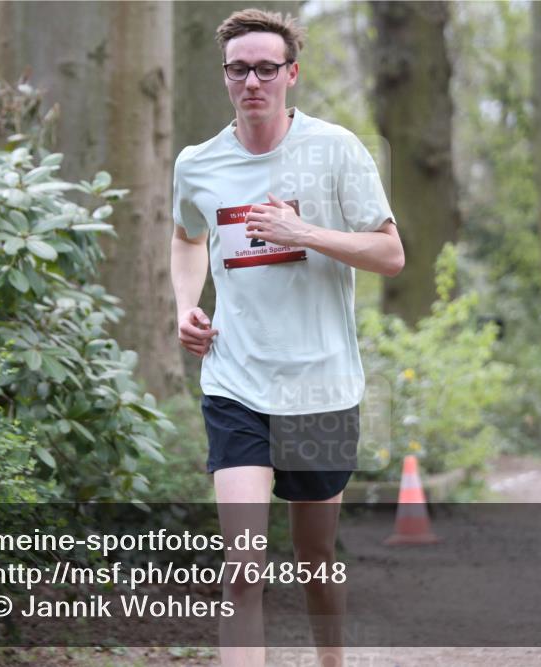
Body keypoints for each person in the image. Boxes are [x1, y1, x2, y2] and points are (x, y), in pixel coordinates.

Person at [169, 9, 403, 667]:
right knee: (242, 567)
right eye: (239, 69)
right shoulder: (198, 163)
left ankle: (331, 660)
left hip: (321, 386)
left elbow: (390, 254)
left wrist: (305, 233)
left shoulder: (337, 150)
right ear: (225, 76)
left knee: (314, 555)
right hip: (236, 381)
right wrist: (185, 306)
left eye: (266, 69)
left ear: (291, 74)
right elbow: (186, 237)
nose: (252, 82)